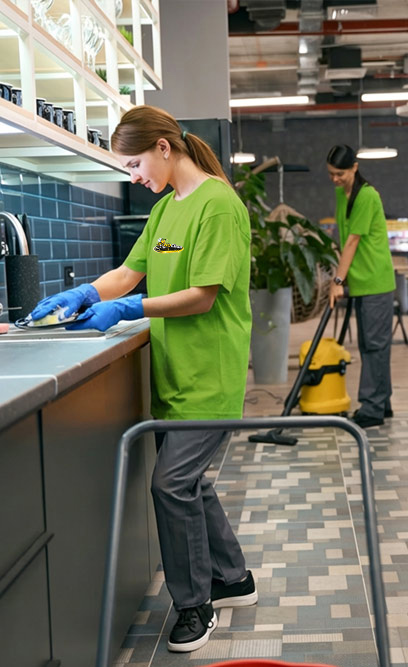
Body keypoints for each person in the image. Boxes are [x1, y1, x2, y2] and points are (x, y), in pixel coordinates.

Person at [27, 105, 257, 653]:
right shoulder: (165, 210)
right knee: (191, 482)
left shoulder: (218, 206)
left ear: (163, 147)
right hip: (174, 372)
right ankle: (234, 579)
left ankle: (195, 605)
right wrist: (86, 293)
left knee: (170, 484)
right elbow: (129, 273)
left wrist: (128, 310)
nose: (133, 177)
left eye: (134, 164)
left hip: (211, 371)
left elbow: (201, 297)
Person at [326, 144, 396, 428]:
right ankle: (383, 403)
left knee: (375, 346)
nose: (335, 178)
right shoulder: (341, 194)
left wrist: (337, 280)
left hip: (376, 280)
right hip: (361, 281)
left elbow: (353, 240)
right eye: (331, 173)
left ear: (354, 167)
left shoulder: (367, 195)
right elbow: (344, 237)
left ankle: (372, 408)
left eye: (340, 173)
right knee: (370, 344)